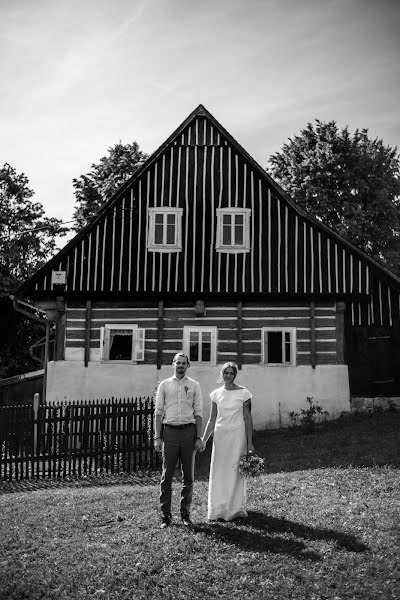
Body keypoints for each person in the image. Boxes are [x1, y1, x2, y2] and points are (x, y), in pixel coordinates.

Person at [154, 353, 205, 528]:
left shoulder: (194, 385)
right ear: (173, 364)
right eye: (178, 362)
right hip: (170, 433)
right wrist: (157, 437)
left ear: (188, 365)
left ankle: (185, 514)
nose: (181, 365)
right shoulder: (164, 385)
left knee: (188, 476)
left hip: (189, 433)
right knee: (166, 475)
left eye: (184, 363)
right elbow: (158, 412)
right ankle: (165, 515)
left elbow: (198, 413)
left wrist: (199, 437)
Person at [201, 362, 255, 521]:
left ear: (235, 375)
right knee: (219, 470)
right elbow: (212, 419)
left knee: (234, 471)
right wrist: (204, 440)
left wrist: (250, 442)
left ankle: (234, 508)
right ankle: (217, 508)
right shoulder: (215, 394)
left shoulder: (244, 393)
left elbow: (248, 418)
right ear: (222, 374)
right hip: (220, 437)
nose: (228, 376)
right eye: (226, 373)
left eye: (231, 373)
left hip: (238, 436)